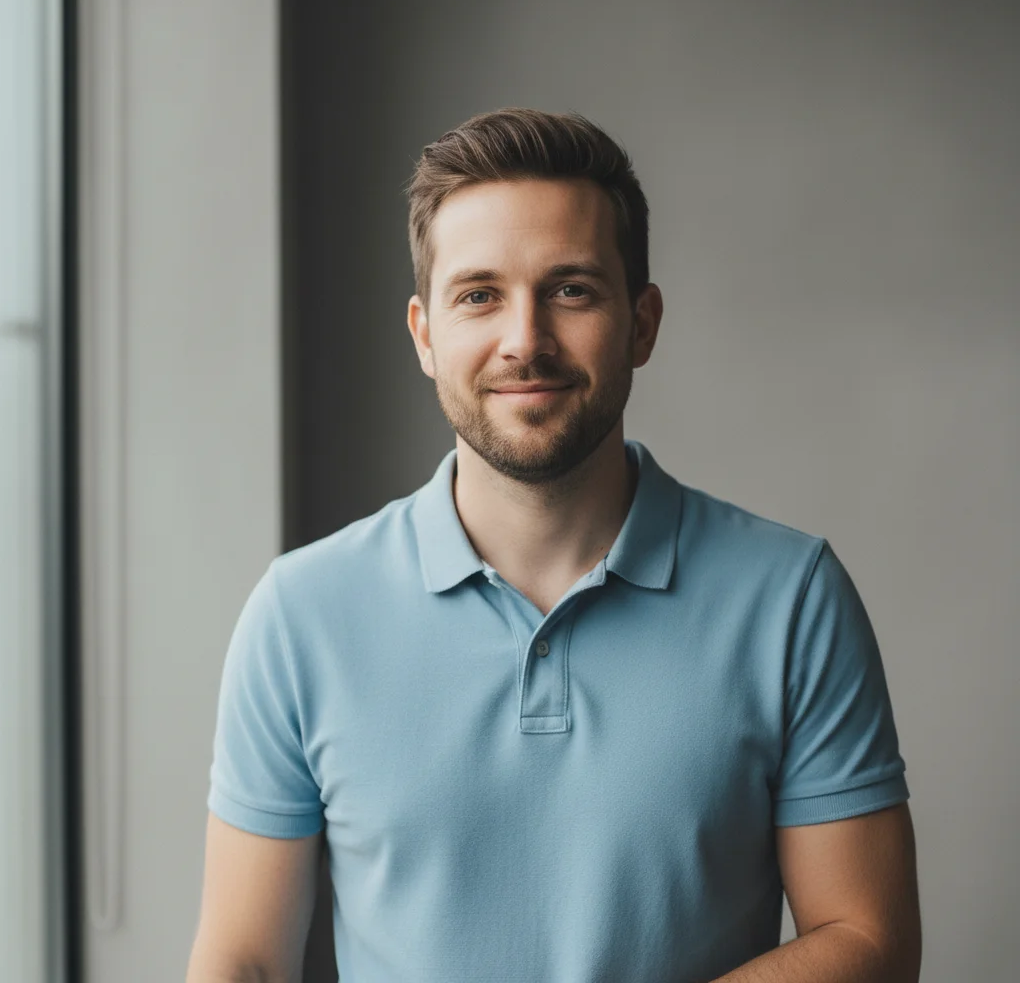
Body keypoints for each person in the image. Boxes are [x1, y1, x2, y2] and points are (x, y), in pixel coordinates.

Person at [186, 107, 921, 982]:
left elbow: (868, 939)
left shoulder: (792, 597)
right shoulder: (300, 614)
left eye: (571, 289)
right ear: (425, 335)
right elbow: (243, 962)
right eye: (479, 295)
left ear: (642, 323)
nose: (524, 340)